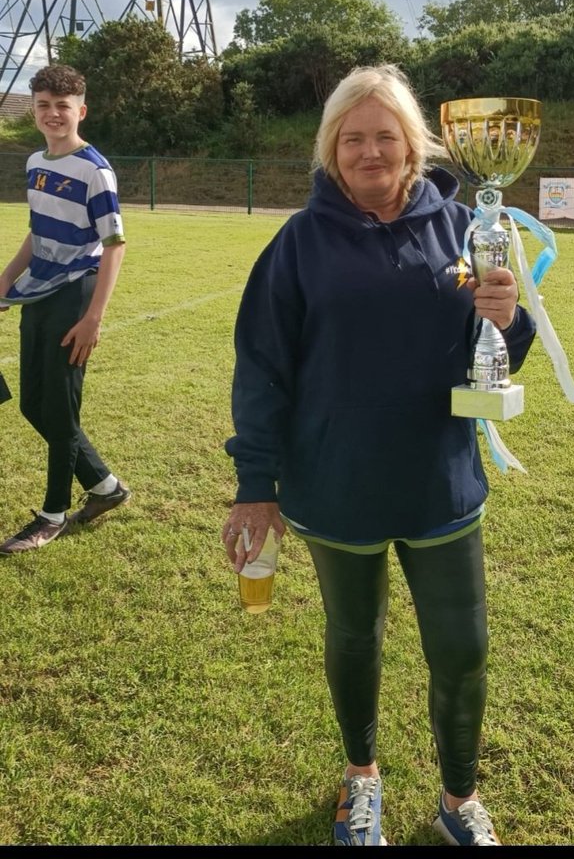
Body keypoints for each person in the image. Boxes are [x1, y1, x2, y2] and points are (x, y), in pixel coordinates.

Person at [222, 64, 537, 846]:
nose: (370, 151)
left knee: (462, 651)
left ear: (414, 146)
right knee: (353, 638)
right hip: (336, 486)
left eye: (385, 136)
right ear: (332, 149)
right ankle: (362, 781)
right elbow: (260, 367)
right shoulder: (298, 243)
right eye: (352, 138)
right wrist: (254, 485)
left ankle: (459, 800)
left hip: (439, 482)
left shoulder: (464, 226)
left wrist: (510, 317)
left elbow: (499, 348)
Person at [0, 64, 130, 555]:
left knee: (59, 407)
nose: (54, 114)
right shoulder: (36, 162)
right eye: (43, 105)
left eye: (63, 106)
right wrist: (7, 279)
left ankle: (51, 517)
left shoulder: (94, 170)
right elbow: (38, 230)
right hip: (39, 290)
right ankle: (106, 486)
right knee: (34, 403)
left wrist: (93, 318)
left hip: (76, 294)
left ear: (81, 110)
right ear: (33, 110)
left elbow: (114, 246)